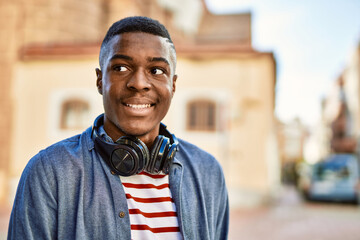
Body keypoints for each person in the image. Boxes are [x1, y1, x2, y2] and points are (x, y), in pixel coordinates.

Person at [8, 16, 229, 240]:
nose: (139, 83)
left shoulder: (208, 172)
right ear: (99, 80)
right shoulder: (49, 172)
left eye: (157, 70)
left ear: (173, 84)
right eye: (121, 67)